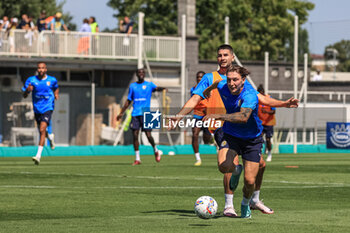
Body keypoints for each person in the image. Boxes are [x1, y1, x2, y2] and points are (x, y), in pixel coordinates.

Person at [169, 44, 299, 217]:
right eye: (219, 55)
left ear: (232, 58)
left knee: (259, 166)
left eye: (225, 55)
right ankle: (229, 205)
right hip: (223, 128)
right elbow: (195, 98)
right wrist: (178, 116)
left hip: (246, 130)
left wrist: (283, 104)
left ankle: (252, 200)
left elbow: (261, 100)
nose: (222, 58)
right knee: (228, 166)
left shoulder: (240, 82)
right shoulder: (212, 79)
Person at [202, 65, 266, 218]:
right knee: (224, 167)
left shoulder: (250, 95)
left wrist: (218, 116)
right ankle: (236, 169)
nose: (231, 83)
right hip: (231, 135)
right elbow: (218, 83)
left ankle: (245, 204)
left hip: (252, 140)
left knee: (250, 182)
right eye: (229, 79)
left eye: (235, 80)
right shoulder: (224, 84)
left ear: (243, 80)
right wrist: (207, 90)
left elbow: (243, 117)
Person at [117, 68, 166, 165]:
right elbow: (128, 101)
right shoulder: (133, 86)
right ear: (137, 74)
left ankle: (155, 150)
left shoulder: (149, 85)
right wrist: (121, 112)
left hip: (146, 113)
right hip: (135, 113)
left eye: (143, 72)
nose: (141, 74)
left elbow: (156, 88)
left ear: (144, 74)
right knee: (135, 135)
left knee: (148, 136)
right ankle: (137, 159)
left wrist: (163, 88)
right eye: (139, 73)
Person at [22, 62, 59, 165]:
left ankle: (38, 156)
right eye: (39, 68)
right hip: (37, 109)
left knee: (42, 129)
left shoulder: (52, 80)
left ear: (46, 69)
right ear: (37, 69)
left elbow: (56, 87)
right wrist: (27, 91)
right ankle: (50, 137)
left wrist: (56, 94)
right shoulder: (31, 80)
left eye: (43, 68)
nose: (41, 70)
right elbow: (24, 95)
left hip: (48, 107)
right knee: (42, 131)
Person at [190, 71, 212, 166]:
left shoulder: (210, 89)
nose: (199, 79)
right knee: (195, 134)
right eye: (198, 77)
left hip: (207, 116)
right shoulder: (193, 89)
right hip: (197, 115)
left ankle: (213, 141)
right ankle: (197, 158)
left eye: (201, 77)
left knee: (206, 138)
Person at [257, 84, 276, 162]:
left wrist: (267, 111)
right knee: (259, 139)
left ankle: (269, 154)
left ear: (263, 92)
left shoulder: (269, 98)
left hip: (269, 122)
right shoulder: (256, 99)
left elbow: (273, 111)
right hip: (260, 123)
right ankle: (259, 154)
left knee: (268, 139)